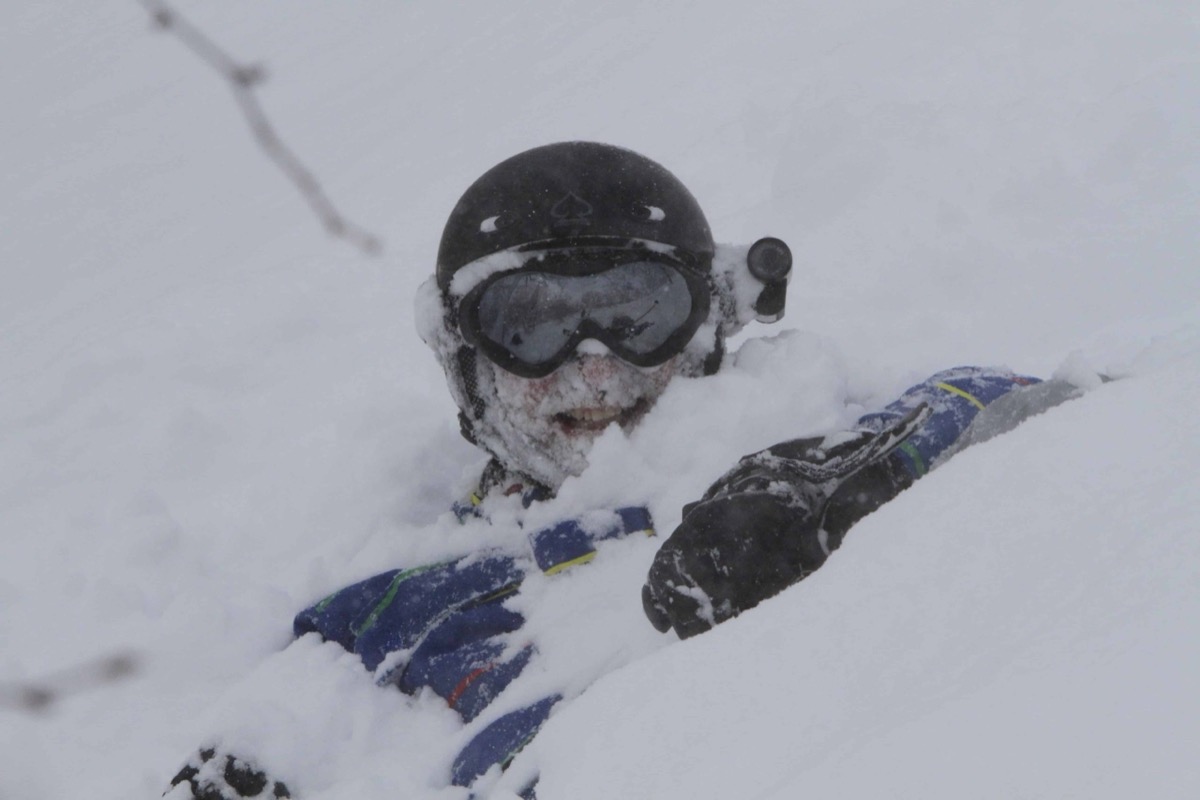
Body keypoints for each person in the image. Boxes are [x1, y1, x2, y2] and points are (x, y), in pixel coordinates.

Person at [166, 142, 1087, 799]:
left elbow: (1061, 420)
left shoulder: (815, 437)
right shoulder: (402, 609)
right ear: (467, 361)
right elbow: (302, 725)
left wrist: (847, 487)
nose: (596, 371)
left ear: (710, 321)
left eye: (638, 314)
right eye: (532, 326)